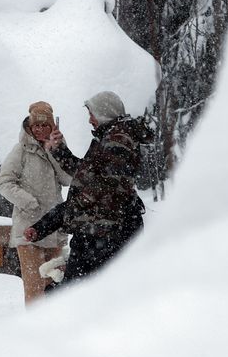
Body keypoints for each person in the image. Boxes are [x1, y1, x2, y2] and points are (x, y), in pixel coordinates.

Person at [25, 91, 152, 286]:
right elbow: (87, 176)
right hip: (102, 232)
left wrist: (53, 221)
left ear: (103, 113)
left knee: (79, 294)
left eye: (92, 114)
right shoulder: (111, 138)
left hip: (104, 234)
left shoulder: (117, 141)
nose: (90, 120)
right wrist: (59, 150)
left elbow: (99, 189)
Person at [0, 101, 73, 304]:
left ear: (52, 126)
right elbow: (4, 183)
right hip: (28, 229)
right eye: (35, 126)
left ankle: (53, 327)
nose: (39, 130)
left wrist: (58, 149)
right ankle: (33, 328)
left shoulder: (56, 147)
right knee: (34, 285)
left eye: (44, 125)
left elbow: (68, 179)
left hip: (53, 228)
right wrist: (28, 202)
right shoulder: (20, 151)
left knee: (54, 286)